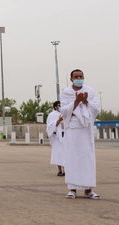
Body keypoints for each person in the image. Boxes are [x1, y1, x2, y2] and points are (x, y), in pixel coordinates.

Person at [61, 69, 100, 200]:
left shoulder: (90, 91)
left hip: (85, 129)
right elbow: (64, 111)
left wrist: (86, 101)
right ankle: (72, 189)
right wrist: (76, 101)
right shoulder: (66, 92)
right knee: (72, 158)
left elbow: (96, 109)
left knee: (87, 159)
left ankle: (89, 190)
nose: (79, 78)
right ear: (71, 78)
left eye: (81, 76)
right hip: (72, 128)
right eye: (76, 76)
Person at [46, 101, 65, 176]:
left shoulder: (64, 113)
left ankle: (65, 170)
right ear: (55, 107)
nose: (60, 107)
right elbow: (50, 126)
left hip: (65, 136)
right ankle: (60, 170)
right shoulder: (51, 115)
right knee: (58, 154)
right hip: (57, 137)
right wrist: (59, 120)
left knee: (65, 154)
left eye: (61, 105)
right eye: (58, 105)